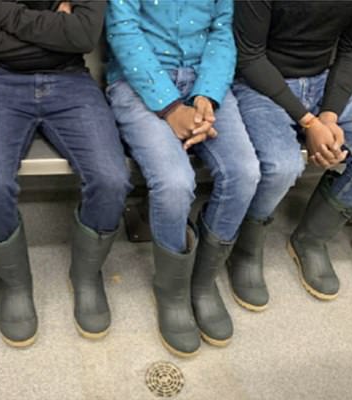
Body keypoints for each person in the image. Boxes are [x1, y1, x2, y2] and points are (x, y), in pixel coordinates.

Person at [0, 1, 132, 347]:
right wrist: (53, 35)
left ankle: (86, 274)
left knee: (111, 178)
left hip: (69, 78)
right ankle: (14, 282)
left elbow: (83, 34)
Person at [106, 0, 261, 357]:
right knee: (175, 182)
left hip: (203, 80)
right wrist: (171, 107)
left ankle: (203, 280)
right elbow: (123, 32)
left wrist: (207, 94)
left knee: (244, 173)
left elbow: (222, 34)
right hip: (138, 81)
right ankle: (172, 291)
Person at [232, 0, 352, 302]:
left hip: (322, 78)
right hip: (259, 81)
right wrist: (309, 122)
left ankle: (311, 239)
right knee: (281, 166)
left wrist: (329, 115)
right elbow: (249, 57)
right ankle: (244, 249)